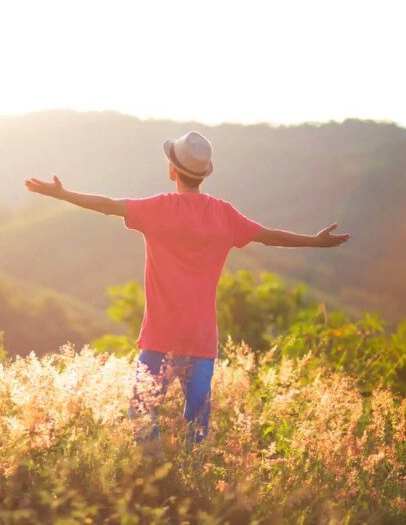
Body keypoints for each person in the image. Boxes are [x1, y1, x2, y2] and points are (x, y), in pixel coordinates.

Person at [24, 130, 350, 456]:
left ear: (172, 170)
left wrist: (63, 194)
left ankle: (156, 480)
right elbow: (269, 236)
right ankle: (191, 486)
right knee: (197, 425)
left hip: (160, 338)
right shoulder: (225, 215)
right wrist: (314, 241)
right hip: (201, 340)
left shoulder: (159, 209)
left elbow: (108, 206)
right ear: (204, 175)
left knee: (141, 411)